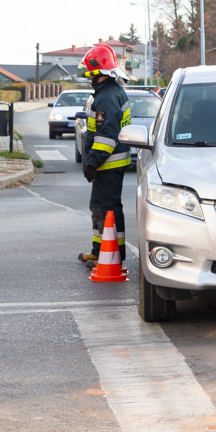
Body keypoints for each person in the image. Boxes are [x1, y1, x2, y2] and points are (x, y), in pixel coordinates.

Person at [77, 44, 132, 268]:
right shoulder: (110, 92)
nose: (87, 75)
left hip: (108, 163)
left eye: (90, 71)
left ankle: (111, 254)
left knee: (107, 209)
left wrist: (92, 162)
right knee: (101, 207)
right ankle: (100, 250)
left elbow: (106, 136)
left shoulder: (107, 97)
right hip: (109, 163)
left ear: (99, 71)